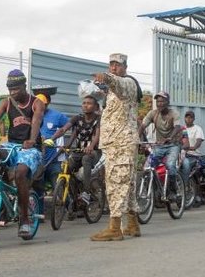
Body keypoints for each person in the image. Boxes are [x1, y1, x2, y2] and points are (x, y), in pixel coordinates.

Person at [0, 69, 45, 238]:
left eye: (16, 89)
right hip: (12, 144)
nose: (13, 93)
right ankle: (3, 196)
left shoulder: (36, 103)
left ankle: (24, 220)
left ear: (24, 86)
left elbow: (36, 121)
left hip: (30, 147)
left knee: (21, 173)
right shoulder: (6, 102)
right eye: (10, 89)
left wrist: (32, 139)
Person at [90, 53, 141, 241]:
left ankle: (114, 227)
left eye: (117, 65)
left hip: (121, 143)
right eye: (111, 65)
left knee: (116, 183)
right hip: (117, 142)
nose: (113, 67)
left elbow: (118, 85)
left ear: (125, 67)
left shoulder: (128, 83)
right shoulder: (112, 92)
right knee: (128, 185)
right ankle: (133, 224)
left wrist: (107, 77)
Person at [54, 95, 102, 218]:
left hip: (94, 152)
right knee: (66, 167)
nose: (86, 105)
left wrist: (91, 146)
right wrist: (51, 140)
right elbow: (64, 129)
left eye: (89, 103)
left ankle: (86, 193)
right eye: (84, 103)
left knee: (86, 158)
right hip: (78, 151)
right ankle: (75, 198)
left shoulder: (98, 119)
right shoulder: (77, 118)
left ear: (95, 106)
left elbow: (97, 135)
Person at [138, 91, 183, 196]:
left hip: (173, 145)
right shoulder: (153, 114)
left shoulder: (174, 113)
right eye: (157, 101)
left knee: (170, 165)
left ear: (167, 102)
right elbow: (143, 126)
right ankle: (154, 190)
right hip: (159, 146)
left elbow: (177, 127)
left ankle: (173, 190)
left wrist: (169, 138)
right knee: (148, 166)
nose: (159, 104)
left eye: (162, 101)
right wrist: (137, 138)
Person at [182, 110, 205, 205]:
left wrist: (194, 147)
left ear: (194, 119)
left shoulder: (197, 129)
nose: (188, 119)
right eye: (187, 117)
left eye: (191, 117)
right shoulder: (182, 129)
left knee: (195, 173)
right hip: (183, 154)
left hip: (194, 155)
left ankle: (198, 195)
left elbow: (199, 141)